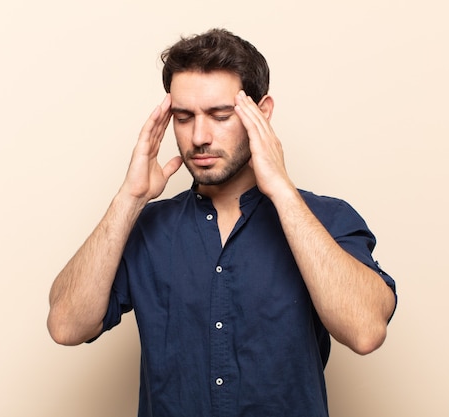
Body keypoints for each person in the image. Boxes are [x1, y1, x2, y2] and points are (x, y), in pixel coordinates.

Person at [47, 28, 397, 417]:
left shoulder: (326, 219)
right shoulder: (147, 228)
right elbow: (66, 327)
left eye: (219, 115)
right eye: (184, 117)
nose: (199, 136)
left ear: (260, 113)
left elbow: (366, 331)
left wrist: (281, 189)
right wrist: (128, 199)